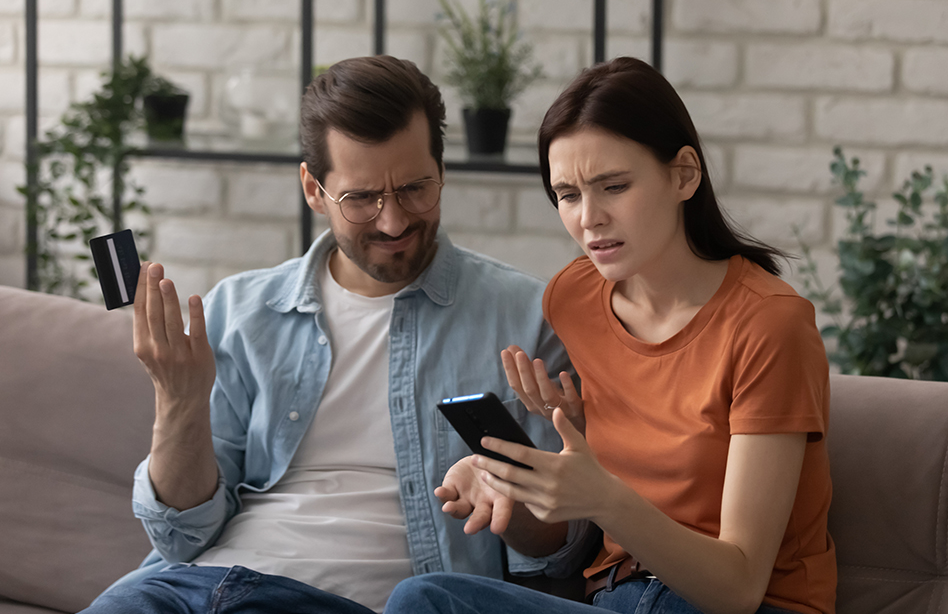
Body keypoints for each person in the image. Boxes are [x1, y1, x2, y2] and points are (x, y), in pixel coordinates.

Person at [81, 55, 590, 614]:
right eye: (362, 198)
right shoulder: (242, 310)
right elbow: (181, 538)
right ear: (313, 189)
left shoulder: (525, 317)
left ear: (442, 170)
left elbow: (557, 555)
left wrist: (508, 499)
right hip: (189, 589)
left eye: (416, 188)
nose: (393, 221)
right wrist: (178, 402)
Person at [384, 57, 837, 614]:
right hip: (616, 598)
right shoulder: (572, 297)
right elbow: (562, 534)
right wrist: (525, 477)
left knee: (425, 600)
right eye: (568, 195)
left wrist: (604, 496)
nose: (589, 219)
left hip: (735, 606)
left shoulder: (769, 324)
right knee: (416, 599)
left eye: (614, 186)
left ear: (684, 175)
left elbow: (739, 588)